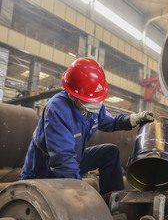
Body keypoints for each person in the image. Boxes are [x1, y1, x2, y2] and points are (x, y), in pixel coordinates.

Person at [20, 57, 155, 195]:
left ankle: (111, 201)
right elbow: (63, 159)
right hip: (45, 171)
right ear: (72, 96)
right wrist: (80, 194)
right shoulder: (58, 109)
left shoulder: (91, 106)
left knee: (110, 152)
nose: (96, 104)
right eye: (91, 100)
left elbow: (110, 121)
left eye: (98, 99)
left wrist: (133, 119)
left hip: (75, 160)